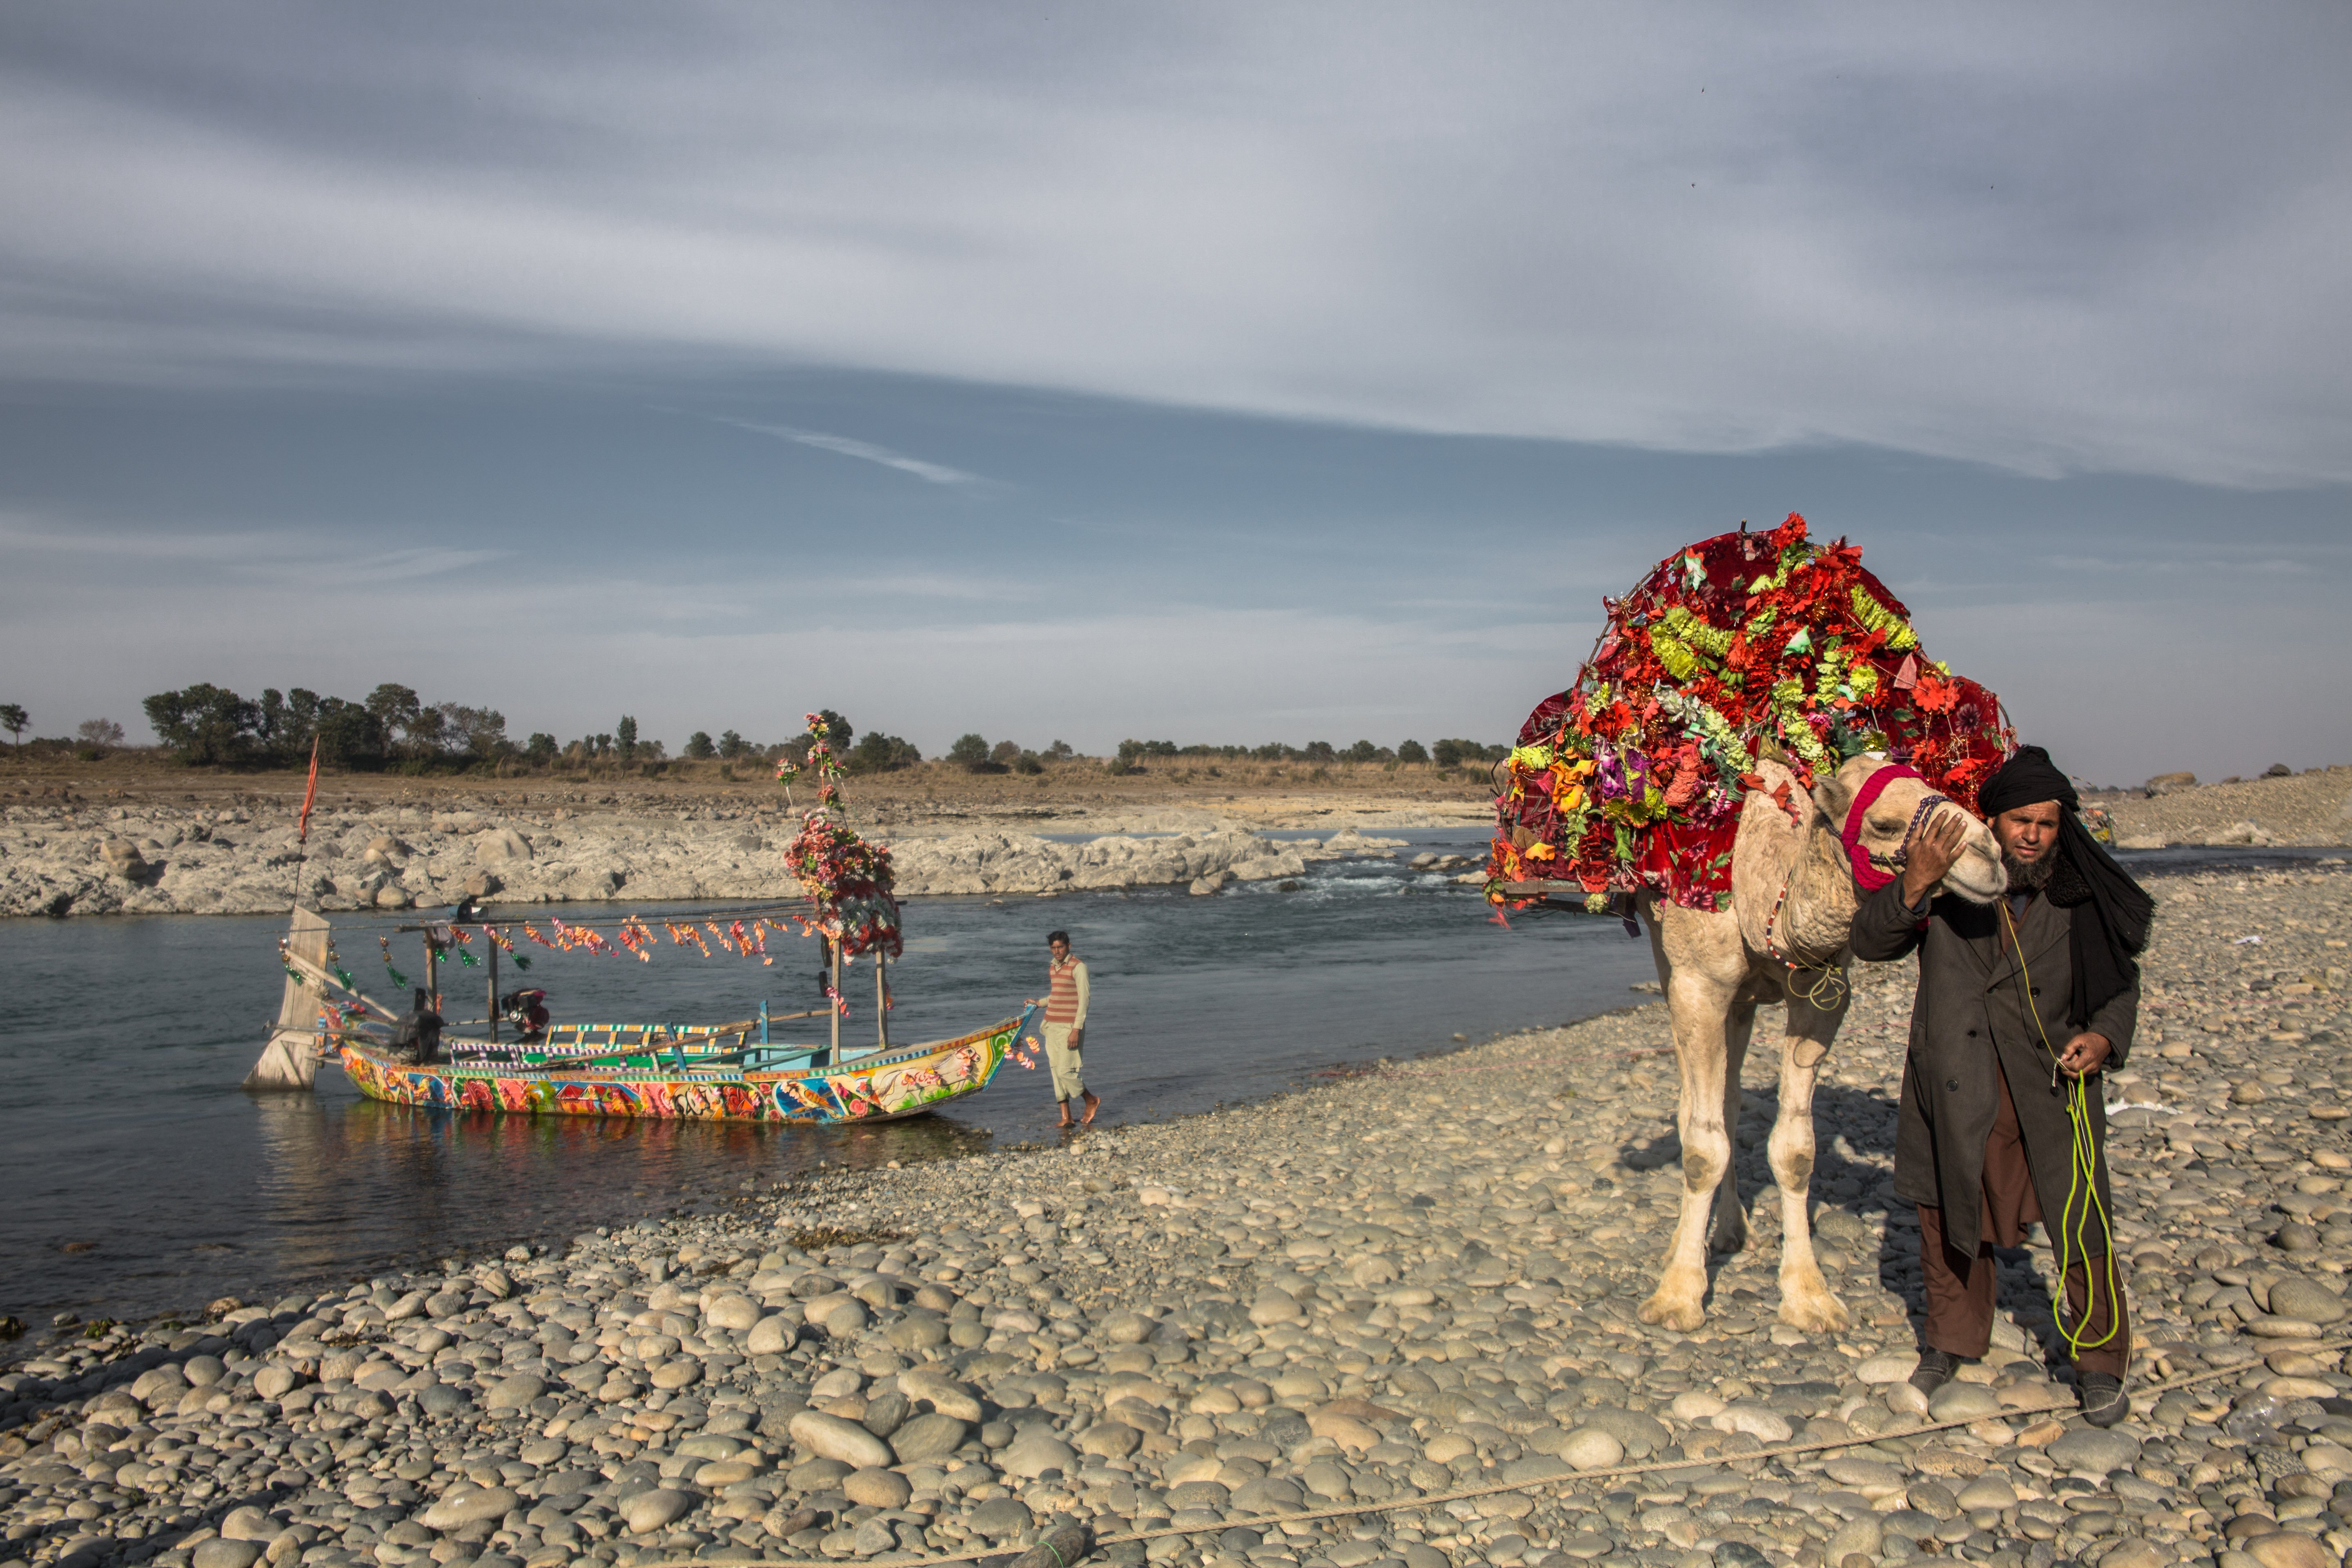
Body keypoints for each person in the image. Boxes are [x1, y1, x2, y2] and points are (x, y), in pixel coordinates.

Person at [1851, 745, 2154, 1427]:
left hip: (2050, 1084)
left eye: (2045, 825)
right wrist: (1914, 883)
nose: (2031, 836)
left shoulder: (2080, 898)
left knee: (2083, 1221)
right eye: (2019, 821)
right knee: (1945, 1212)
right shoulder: (1949, 881)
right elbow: (1870, 942)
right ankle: (1951, 1342)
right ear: (1992, 820)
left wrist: (2103, 1039)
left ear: (2059, 828)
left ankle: (2101, 1362)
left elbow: (2120, 988)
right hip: (1955, 1079)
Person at [1040, 930, 1100, 1127]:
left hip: (1069, 1027)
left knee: (1067, 1072)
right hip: (1051, 1025)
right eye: (1053, 948)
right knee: (1056, 1071)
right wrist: (1038, 1003)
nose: (1057, 952)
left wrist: (1076, 1029)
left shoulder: (1079, 967)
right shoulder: (1053, 967)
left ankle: (1091, 1100)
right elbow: (1057, 994)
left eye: (1060, 947)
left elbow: (1084, 1000)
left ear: (1069, 946)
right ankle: (1066, 1118)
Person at [390, 987, 446, 1065]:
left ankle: (425, 1058)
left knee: (424, 1036)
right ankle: (423, 1057)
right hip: (419, 1024)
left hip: (424, 1026)